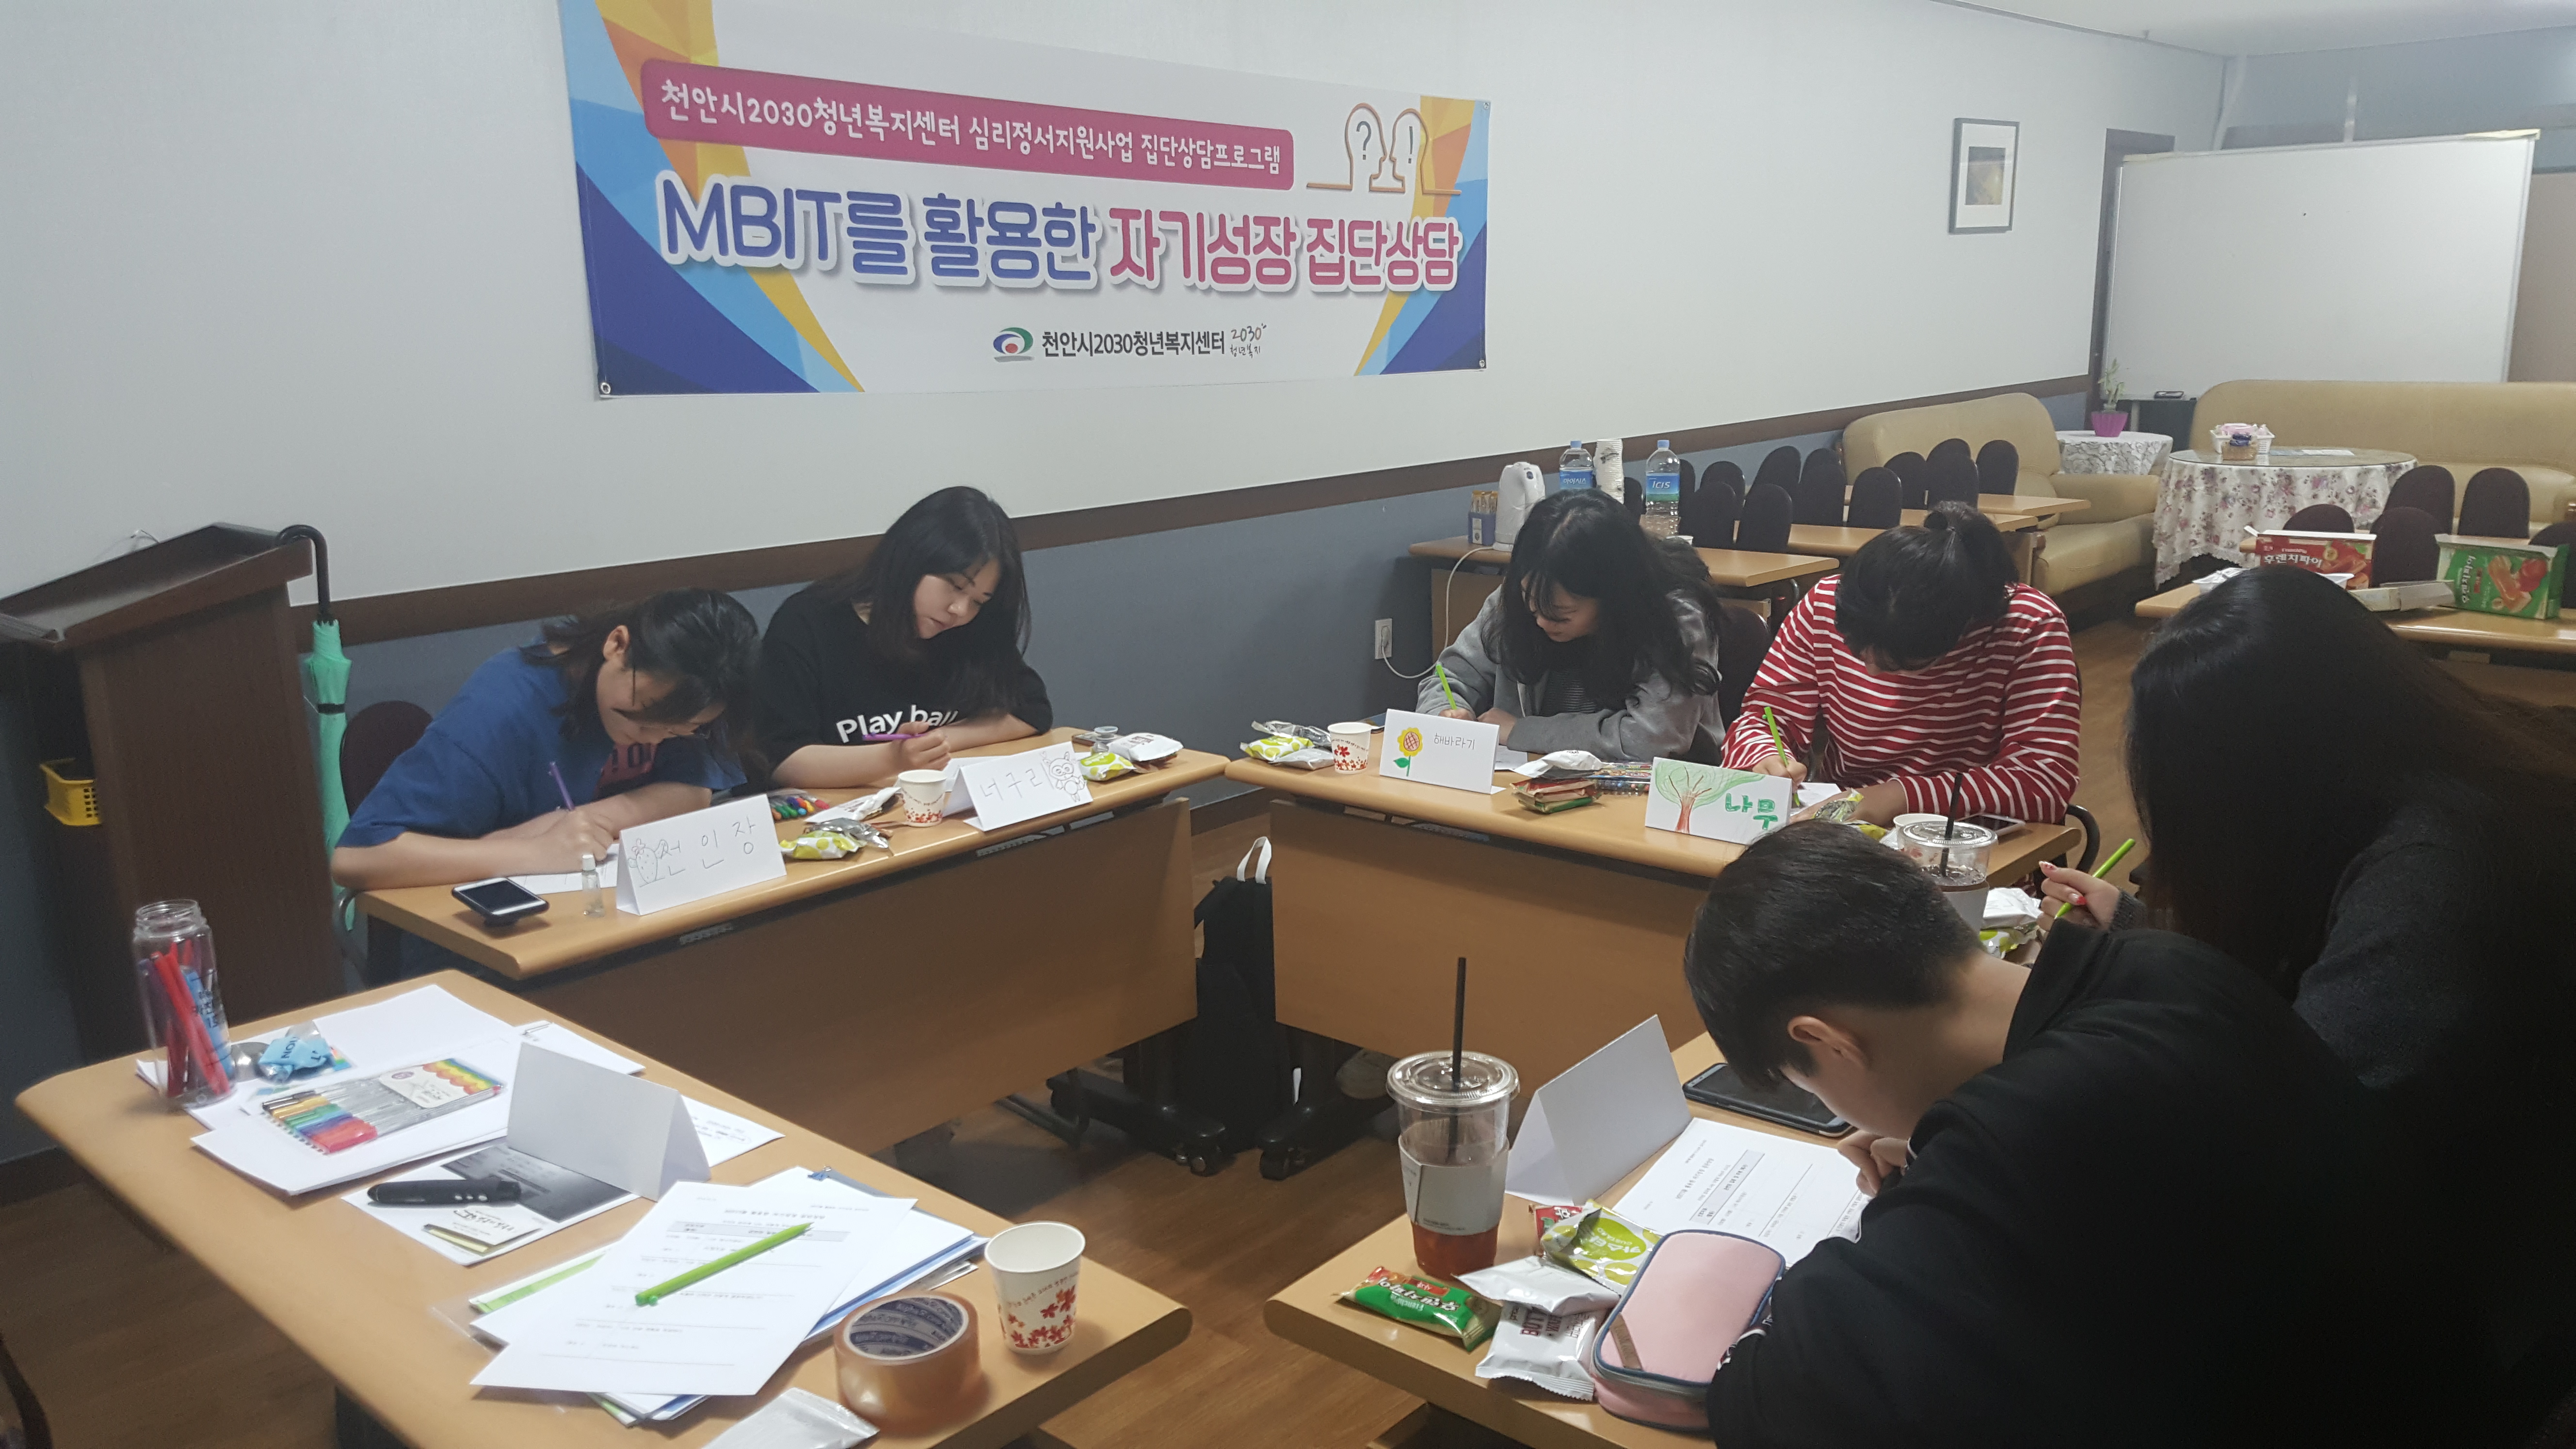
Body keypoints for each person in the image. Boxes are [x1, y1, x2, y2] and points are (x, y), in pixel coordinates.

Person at [1684, 822, 2471, 1448]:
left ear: (1824, 1041)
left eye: (1807, 1081)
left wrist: (1943, 1187)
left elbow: (1778, 1398)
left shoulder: (2026, 1132)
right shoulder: (2155, 966)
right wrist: (1946, 1171)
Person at [2037, 564, 2576, 1431]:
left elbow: (2287, 1140)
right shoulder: (2440, 777)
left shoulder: (2437, 880)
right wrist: (2140, 928)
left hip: (2479, 1315)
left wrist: (2026, 1121)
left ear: (2263, 778)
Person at [332, 588, 761, 891]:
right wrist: (535, 852)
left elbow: (692, 791)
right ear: (618, 644)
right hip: (478, 941)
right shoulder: (500, 710)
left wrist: (587, 822)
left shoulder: (694, 689)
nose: (654, 739)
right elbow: (357, 858)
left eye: (681, 730)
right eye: (645, 715)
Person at [1721, 501, 2078, 825]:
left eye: (1900, 665)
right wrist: (1762, 755)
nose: (1871, 671)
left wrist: (1899, 797)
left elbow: (2043, 782)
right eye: (1856, 651)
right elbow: (1764, 718)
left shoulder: (2027, 626)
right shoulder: (1825, 604)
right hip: (1845, 827)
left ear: (1959, 630)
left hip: (1967, 836)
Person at [757, 486, 1051, 788]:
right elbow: (783, 761)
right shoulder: (809, 622)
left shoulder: (969, 629)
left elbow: (1031, 711)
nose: (960, 611)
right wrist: (892, 758)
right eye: (955, 585)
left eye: (979, 601)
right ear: (912, 559)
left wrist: (936, 742)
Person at [1421, 489, 1728, 760]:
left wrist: (1522, 731)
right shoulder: (1524, 596)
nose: (1541, 620)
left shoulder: (1674, 616)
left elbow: (1653, 738)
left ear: (1613, 596)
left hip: (1651, 794)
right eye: (1531, 602)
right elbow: (1450, 676)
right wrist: (1446, 714)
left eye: (1561, 612)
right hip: (1526, 786)